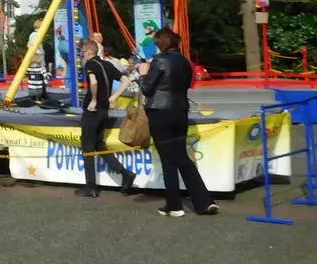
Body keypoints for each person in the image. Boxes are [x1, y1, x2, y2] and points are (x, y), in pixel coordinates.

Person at [131, 27, 217, 217]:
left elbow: (147, 89)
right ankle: (204, 201)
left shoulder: (160, 61)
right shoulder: (185, 62)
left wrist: (142, 74)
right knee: (181, 156)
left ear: (161, 43)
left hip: (160, 112)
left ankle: (174, 204)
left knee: (167, 159)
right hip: (180, 110)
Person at [76, 38, 136, 198]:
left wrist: (94, 100)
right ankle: (124, 173)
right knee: (99, 145)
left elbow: (93, 82)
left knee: (87, 148)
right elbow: (126, 79)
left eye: (82, 53)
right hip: (104, 111)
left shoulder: (90, 65)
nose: (82, 56)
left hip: (93, 110)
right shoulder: (108, 65)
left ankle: (91, 187)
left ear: (89, 52)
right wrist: (114, 97)